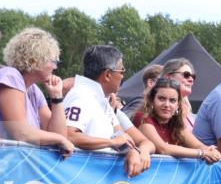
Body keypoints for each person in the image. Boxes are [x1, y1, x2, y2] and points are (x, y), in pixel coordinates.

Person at [0, 27, 74, 154]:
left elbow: (59, 135)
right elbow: (20, 133)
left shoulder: (34, 90)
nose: (55, 67)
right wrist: (59, 139)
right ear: (34, 60)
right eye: (53, 61)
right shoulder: (10, 76)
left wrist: (57, 97)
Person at [62, 45, 155, 177]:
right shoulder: (81, 95)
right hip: (80, 177)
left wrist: (133, 151)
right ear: (107, 74)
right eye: (121, 71)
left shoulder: (102, 100)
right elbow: (68, 135)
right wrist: (111, 142)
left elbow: (122, 137)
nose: (123, 76)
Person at [132, 77, 221, 162]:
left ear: (178, 105)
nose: (167, 104)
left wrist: (211, 150)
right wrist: (202, 153)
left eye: (172, 100)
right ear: (152, 100)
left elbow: (197, 145)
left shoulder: (175, 122)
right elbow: (163, 149)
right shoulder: (142, 117)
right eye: (162, 99)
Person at [161, 58, 198, 131]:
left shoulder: (186, 110)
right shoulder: (160, 109)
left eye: (193, 76)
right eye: (186, 75)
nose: (191, 80)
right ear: (169, 77)